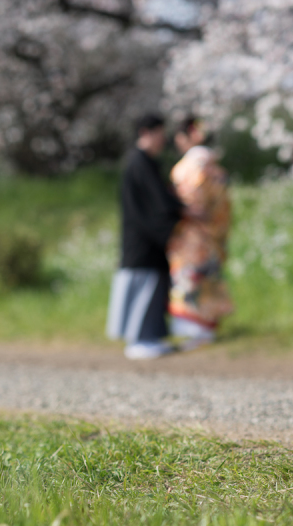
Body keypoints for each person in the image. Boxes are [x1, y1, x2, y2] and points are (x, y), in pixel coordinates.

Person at [106, 113, 184, 359]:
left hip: (148, 237)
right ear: (146, 133)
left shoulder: (145, 162)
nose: (163, 139)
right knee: (145, 289)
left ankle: (149, 337)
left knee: (154, 288)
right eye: (160, 134)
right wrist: (183, 210)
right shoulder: (139, 163)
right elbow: (159, 202)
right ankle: (139, 339)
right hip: (143, 238)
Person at [167, 116, 233, 350]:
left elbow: (194, 203)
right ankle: (207, 328)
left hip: (193, 237)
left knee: (191, 281)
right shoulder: (215, 167)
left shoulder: (191, 167)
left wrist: (174, 208)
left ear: (186, 137)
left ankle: (193, 331)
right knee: (208, 281)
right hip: (214, 234)